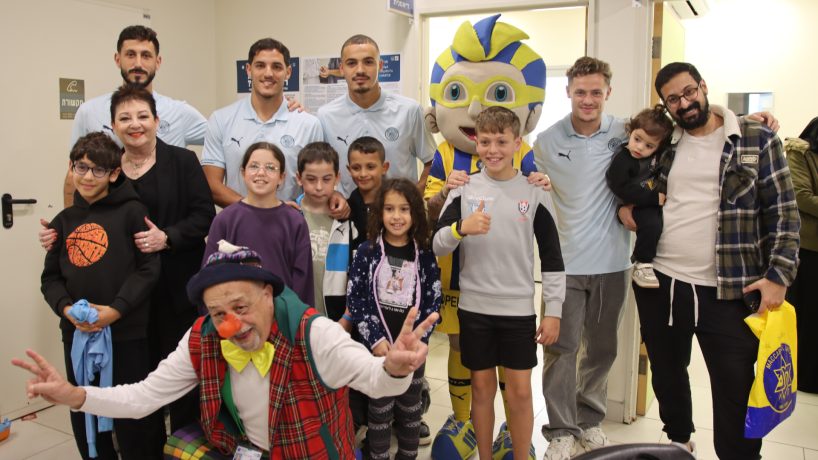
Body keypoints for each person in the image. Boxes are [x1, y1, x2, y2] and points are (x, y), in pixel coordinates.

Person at [14, 247, 440, 459]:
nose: (231, 325)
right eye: (219, 313)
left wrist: (394, 368)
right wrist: (77, 396)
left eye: (241, 307)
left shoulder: (317, 335)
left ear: (269, 295)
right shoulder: (202, 338)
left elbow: (375, 380)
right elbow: (145, 397)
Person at [624, 62, 800, 459]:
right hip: (661, 281)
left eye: (689, 92)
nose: (684, 103)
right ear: (666, 105)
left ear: (703, 87)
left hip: (731, 288)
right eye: (673, 99)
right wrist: (624, 206)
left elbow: (784, 212)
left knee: (734, 384)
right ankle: (679, 441)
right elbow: (629, 166)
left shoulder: (756, 137)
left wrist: (779, 275)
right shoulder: (665, 142)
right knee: (666, 373)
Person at [43, 84, 216, 435]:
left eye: (142, 116)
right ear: (113, 126)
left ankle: (182, 446)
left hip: (172, 290)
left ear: (156, 121)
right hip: (125, 298)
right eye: (125, 118)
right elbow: (86, 217)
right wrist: (57, 235)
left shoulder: (182, 161)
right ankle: (140, 444)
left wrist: (167, 237)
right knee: (135, 380)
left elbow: (204, 217)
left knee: (179, 378)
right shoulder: (108, 167)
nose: (135, 124)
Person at [421, 15, 549, 459]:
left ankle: (513, 435)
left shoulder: (524, 157)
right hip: (461, 279)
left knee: (513, 374)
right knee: (464, 354)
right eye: (459, 93)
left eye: (501, 140)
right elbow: (432, 219)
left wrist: (544, 184)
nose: (475, 113)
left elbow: (537, 205)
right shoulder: (449, 162)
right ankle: (466, 425)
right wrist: (448, 199)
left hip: (511, 291)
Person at [434, 106, 566, 460]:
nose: (493, 150)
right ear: (476, 143)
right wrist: (461, 229)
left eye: (501, 141)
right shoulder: (464, 188)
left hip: (517, 310)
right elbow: (437, 244)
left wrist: (553, 311)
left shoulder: (534, 190)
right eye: (485, 141)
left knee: (520, 392)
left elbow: (553, 256)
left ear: (517, 143)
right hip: (474, 309)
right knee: (481, 389)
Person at [41, 132, 164, 459]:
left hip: (125, 331)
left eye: (98, 170)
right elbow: (50, 278)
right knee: (83, 405)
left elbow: (148, 270)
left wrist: (115, 310)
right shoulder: (63, 221)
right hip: (77, 334)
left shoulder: (133, 212)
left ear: (114, 173)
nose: (87, 177)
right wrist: (66, 309)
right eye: (81, 168)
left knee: (132, 413)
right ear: (71, 168)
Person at [533, 56, 631, 459]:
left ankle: (589, 421)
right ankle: (561, 430)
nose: (588, 100)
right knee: (560, 349)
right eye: (580, 92)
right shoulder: (547, 141)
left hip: (613, 263)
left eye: (595, 92)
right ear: (568, 92)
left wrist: (738, 118)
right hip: (565, 265)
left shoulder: (625, 132)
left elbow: (679, 132)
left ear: (608, 92)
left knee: (602, 349)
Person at [347, 178, 442, 460]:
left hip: (412, 353)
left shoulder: (424, 254)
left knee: (410, 413)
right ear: (380, 213)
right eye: (389, 209)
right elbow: (356, 299)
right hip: (379, 352)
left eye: (404, 209)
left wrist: (418, 341)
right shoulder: (367, 252)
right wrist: (375, 340)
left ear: (415, 213)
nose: (396, 216)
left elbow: (433, 301)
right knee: (379, 411)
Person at [65, 25, 207, 207]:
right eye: (130, 55)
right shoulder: (89, 111)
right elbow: (74, 173)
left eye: (146, 55)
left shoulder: (180, 112)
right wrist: (68, 220)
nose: (138, 64)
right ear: (118, 59)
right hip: (107, 215)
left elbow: (221, 139)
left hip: (166, 217)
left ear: (158, 62)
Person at [201, 38, 324, 206]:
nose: (268, 74)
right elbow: (212, 185)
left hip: (290, 220)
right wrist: (255, 211)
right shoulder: (221, 119)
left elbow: (317, 184)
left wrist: (283, 213)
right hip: (238, 221)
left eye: (276, 67)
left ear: (288, 72)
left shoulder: (308, 125)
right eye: (260, 65)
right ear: (248, 70)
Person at [318, 34, 435, 196]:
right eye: (351, 63)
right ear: (341, 69)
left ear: (380, 66)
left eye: (368, 62)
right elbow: (318, 169)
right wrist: (334, 195)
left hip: (399, 211)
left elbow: (433, 162)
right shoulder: (325, 116)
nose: (360, 70)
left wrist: (412, 197)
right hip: (350, 211)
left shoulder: (409, 111)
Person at [204, 141, 313, 305]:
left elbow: (303, 280)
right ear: (243, 172)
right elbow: (209, 275)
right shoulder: (225, 219)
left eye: (270, 168)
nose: (261, 173)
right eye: (254, 166)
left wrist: (296, 315)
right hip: (235, 312)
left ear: (281, 177)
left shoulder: (295, 221)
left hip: (283, 312)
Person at [605, 106, 674, 289]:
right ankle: (642, 262)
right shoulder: (623, 158)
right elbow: (620, 187)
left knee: (658, 224)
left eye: (649, 146)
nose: (640, 147)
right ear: (631, 132)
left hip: (648, 199)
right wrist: (653, 199)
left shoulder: (657, 156)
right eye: (637, 139)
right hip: (634, 203)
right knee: (652, 224)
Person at [294, 142, 357, 319]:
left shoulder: (347, 221)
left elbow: (356, 276)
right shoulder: (290, 217)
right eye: (311, 179)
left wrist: (347, 318)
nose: (319, 187)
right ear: (299, 178)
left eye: (327, 179)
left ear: (337, 178)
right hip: (296, 315)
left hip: (335, 318)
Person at [785, 117, 818, 394]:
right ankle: (804, 376)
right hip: (809, 248)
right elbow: (802, 196)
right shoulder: (800, 154)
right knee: (807, 315)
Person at [347, 136, 390, 249]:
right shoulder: (346, 208)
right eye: (356, 168)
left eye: (370, 167)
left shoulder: (397, 204)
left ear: (384, 168)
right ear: (349, 170)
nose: (363, 174)